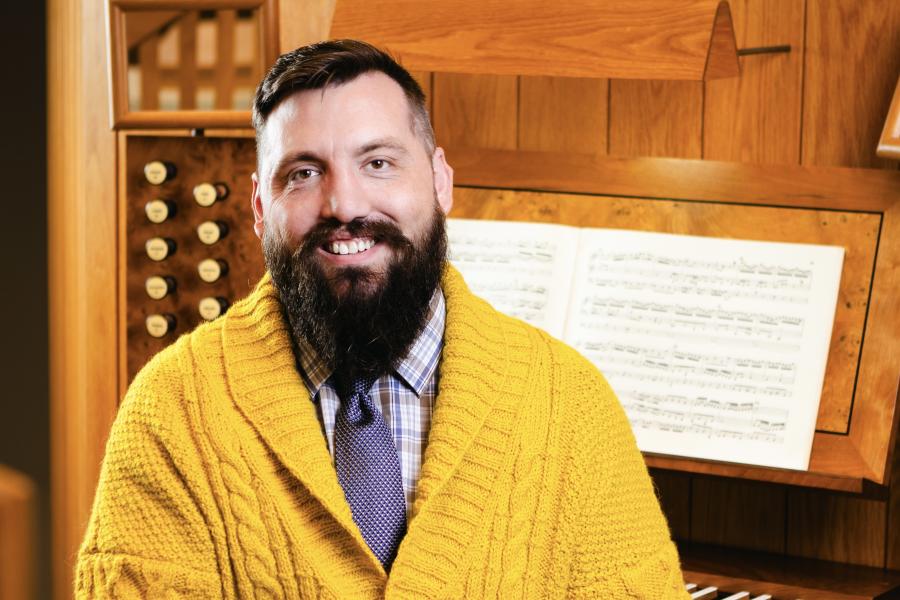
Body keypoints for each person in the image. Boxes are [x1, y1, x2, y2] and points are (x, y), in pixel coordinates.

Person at [76, 39, 688, 598]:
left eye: (378, 163)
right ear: (261, 207)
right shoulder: (172, 410)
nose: (344, 204)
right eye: (304, 173)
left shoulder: (572, 403)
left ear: (440, 181)